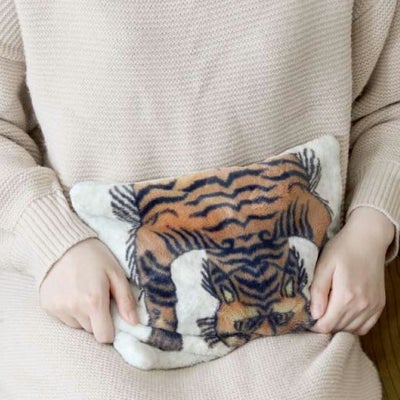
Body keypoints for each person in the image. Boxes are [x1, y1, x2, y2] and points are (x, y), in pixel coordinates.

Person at [0, 1, 399, 399]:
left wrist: (370, 229)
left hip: (300, 323)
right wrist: (50, 240)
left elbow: (389, 109)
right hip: (78, 309)